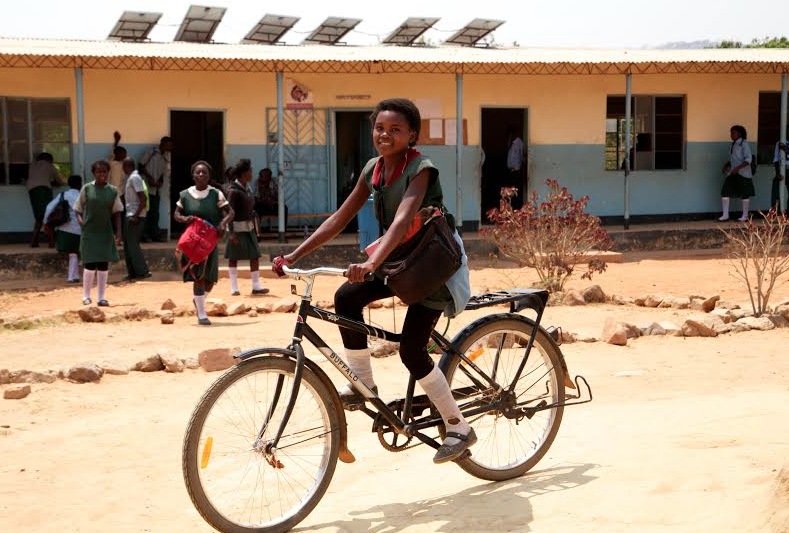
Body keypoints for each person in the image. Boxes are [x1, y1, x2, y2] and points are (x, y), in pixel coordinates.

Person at [273, 98, 474, 464]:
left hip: (431, 263)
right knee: (347, 297)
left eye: (395, 129)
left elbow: (401, 219)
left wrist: (371, 262)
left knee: (412, 351)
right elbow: (338, 219)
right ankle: (364, 385)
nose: (385, 135)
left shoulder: (421, 168)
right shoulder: (374, 169)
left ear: (412, 135)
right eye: (380, 128)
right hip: (398, 259)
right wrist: (293, 256)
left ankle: (458, 426)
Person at [173, 161, 234, 326]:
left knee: (210, 279)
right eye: (198, 173)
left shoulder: (216, 194)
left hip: (209, 241)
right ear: (193, 175)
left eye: (204, 173)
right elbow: (176, 214)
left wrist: (223, 224)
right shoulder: (185, 195)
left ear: (209, 176)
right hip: (192, 242)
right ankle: (202, 314)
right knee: (198, 276)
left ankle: (199, 300)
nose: (201, 175)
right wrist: (184, 218)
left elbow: (230, 212)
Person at [74, 160, 123, 306]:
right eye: (98, 171)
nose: (102, 174)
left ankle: (101, 297)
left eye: (104, 171)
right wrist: (80, 221)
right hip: (89, 232)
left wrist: (119, 232)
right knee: (89, 264)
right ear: (94, 173)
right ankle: (86, 296)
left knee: (103, 264)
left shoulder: (113, 191)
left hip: (105, 232)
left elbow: (117, 213)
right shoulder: (87, 189)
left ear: (108, 173)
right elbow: (77, 208)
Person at [225, 159, 269, 296]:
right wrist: (231, 233)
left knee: (254, 256)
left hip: (249, 228)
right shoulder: (234, 191)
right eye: (250, 171)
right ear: (244, 173)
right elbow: (229, 212)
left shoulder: (247, 188)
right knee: (234, 258)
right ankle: (234, 287)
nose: (251, 173)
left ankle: (256, 286)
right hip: (236, 229)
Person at [43, 174, 82, 283]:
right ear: (80, 184)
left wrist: (46, 222)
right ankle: (74, 276)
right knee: (75, 252)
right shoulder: (83, 195)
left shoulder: (63, 195)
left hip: (65, 228)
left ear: (69, 184)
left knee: (71, 253)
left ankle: (72, 276)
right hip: (80, 228)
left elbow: (49, 207)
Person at [27, 152, 65, 248]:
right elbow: (59, 181)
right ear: (49, 160)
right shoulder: (50, 166)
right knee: (49, 215)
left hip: (32, 191)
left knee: (39, 217)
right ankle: (51, 242)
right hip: (43, 191)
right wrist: (55, 183)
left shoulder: (32, 166)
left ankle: (34, 241)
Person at [122, 157, 151, 281]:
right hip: (131, 214)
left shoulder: (134, 178)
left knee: (133, 245)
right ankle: (133, 273)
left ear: (127, 166)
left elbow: (143, 199)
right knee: (128, 245)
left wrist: (136, 215)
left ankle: (142, 272)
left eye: (123, 166)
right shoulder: (132, 178)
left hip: (135, 216)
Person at [140, 136, 173, 242]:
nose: (170, 147)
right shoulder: (152, 152)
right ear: (162, 144)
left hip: (156, 189)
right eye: (169, 145)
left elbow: (163, 172)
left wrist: (160, 181)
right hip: (146, 187)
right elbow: (141, 166)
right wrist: (149, 178)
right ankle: (144, 235)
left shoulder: (167, 156)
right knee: (146, 212)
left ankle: (154, 234)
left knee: (155, 213)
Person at [719, 125, 755, 222]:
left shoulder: (744, 144)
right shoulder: (732, 145)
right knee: (725, 191)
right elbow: (733, 158)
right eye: (730, 133)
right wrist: (726, 165)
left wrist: (738, 168)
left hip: (743, 173)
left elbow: (748, 160)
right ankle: (725, 215)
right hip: (733, 172)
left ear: (739, 133)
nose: (731, 135)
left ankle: (745, 216)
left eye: (733, 133)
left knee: (745, 193)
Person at [505, 126, 525, 209]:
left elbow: (522, 156)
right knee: (510, 192)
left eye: (511, 134)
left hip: (517, 171)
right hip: (511, 171)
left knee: (516, 192)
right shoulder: (511, 143)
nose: (509, 136)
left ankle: (517, 208)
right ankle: (512, 208)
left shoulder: (519, 143)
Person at [771, 128, 788, 213]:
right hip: (782, 169)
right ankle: (775, 213)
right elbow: (776, 159)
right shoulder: (779, 143)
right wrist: (777, 173)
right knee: (776, 190)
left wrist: (787, 150)